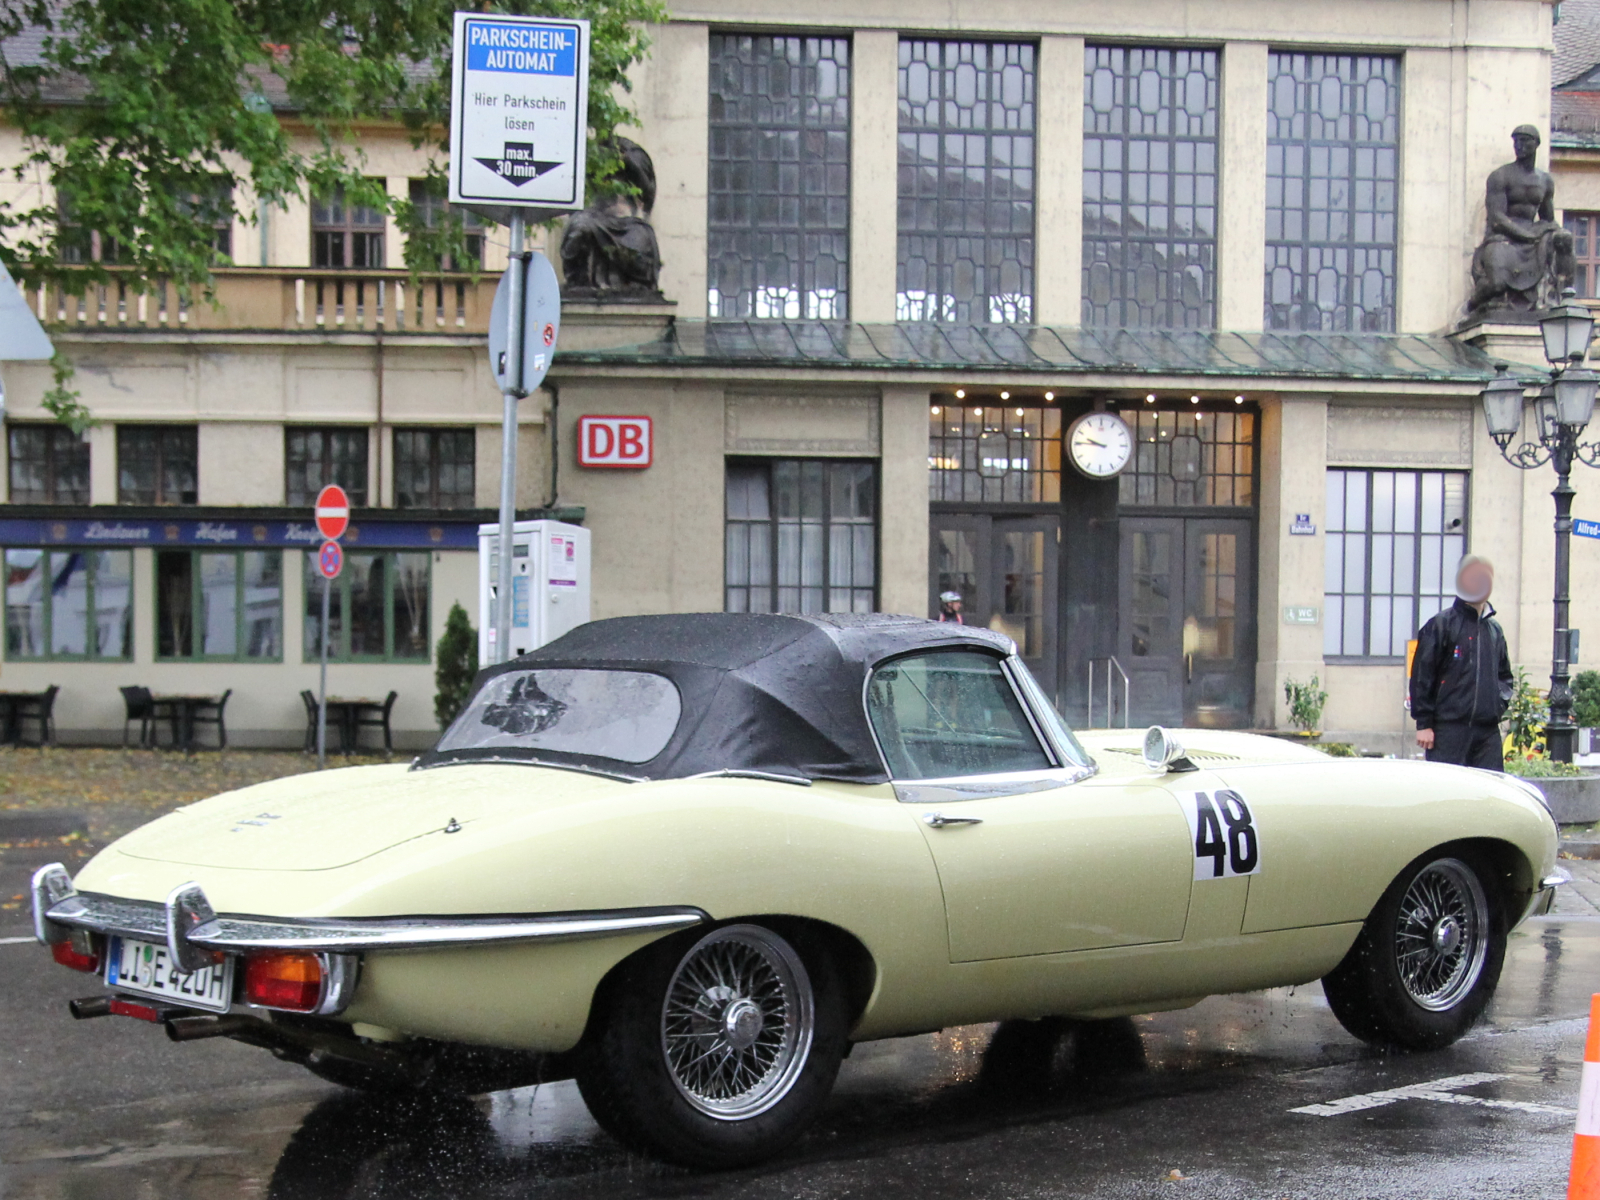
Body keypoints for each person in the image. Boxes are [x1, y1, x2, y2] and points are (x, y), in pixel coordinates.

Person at [1409, 555, 1515, 769]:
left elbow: (1504, 676)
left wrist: (1497, 704)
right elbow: (1423, 675)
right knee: (1448, 794)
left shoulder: (1494, 631)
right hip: (1447, 730)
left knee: (1489, 793)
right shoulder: (1441, 625)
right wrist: (1424, 724)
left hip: (1487, 733)